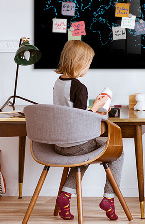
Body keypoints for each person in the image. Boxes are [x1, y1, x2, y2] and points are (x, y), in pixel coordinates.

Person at [53, 40, 123, 221]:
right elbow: (81, 119)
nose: (88, 68)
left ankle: (65, 196)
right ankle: (109, 198)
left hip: (59, 144)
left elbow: (70, 112)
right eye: (88, 64)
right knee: (118, 152)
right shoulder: (79, 87)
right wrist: (98, 106)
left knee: (83, 155)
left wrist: (93, 107)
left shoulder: (58, 83)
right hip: (76, 144)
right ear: (80, 63)